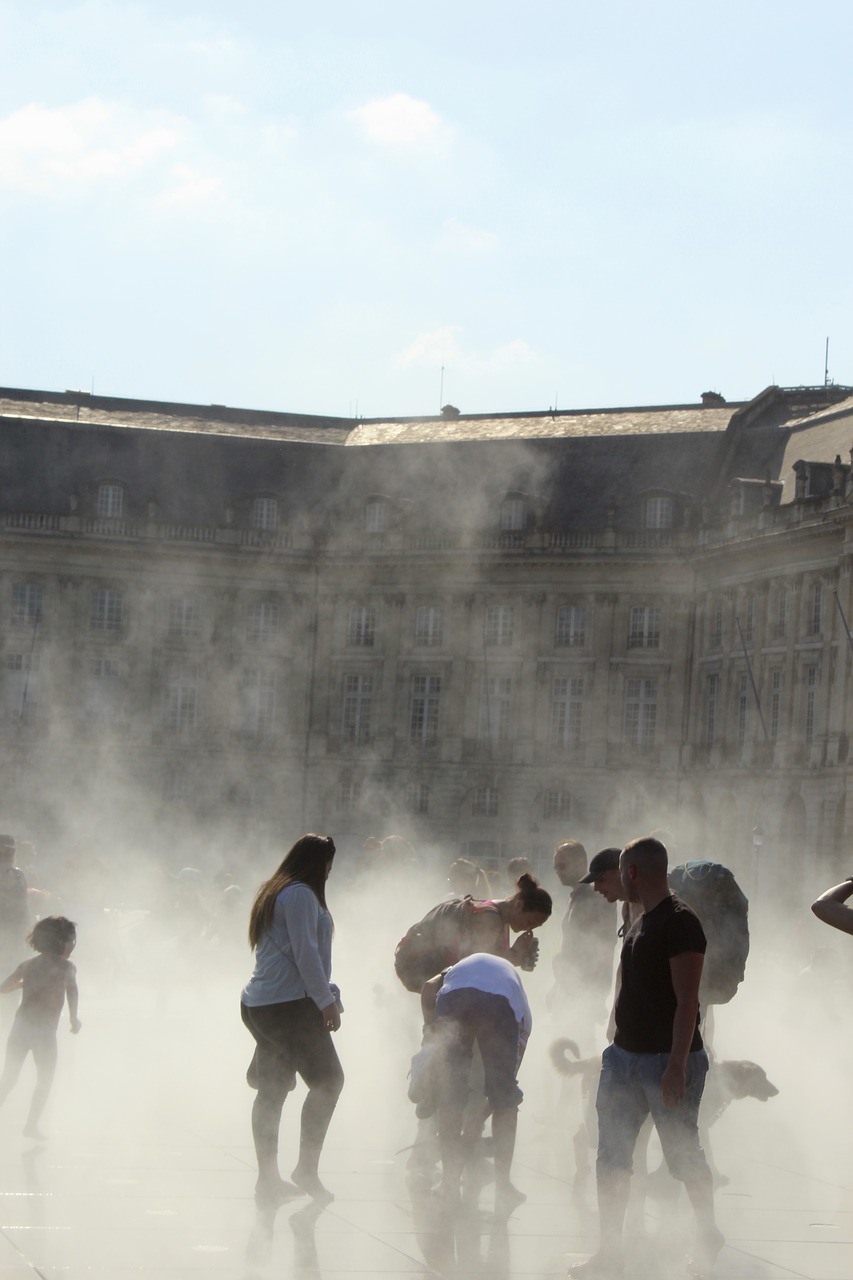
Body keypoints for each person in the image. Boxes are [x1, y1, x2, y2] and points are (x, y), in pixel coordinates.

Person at [571, 837, 723, 1278]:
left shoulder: (679, 923)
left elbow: (688, 1002)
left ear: (632, 872)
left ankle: (708, 1231)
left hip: (665, 1063)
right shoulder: (639, 919)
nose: (618, 880)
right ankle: (610, 1251)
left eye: (620, 872)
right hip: (624, 1059)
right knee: (612, 1157)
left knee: (682, 1157)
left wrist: (676, 1066)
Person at [241, 834, 344, 1208]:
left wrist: (327, 992)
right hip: (288, 1008)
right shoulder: (300, 894)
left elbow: (297, 957)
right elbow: (305, 952)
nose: (331, 873)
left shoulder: (277, 890)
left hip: (262, 1004)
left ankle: (267, 1181)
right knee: (330, 1081)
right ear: (319, 863)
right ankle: (306, 1169)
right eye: (330, 864)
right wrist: (324, 1002)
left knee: (272, 1090)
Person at [422, 952, 532, 1215]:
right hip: (498, 1005)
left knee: (451, 1091)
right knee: (506, 1098)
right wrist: (482, 1116)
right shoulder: (523, 1015)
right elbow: (507, 1084)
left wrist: (430, 1033)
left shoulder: (457, 969)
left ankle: (449, 1182)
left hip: (454, 999)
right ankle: (504, 1186)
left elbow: (427, 988)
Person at [0, 915, 80, 1138]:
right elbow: (72, 992)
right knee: (44, 1079)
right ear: (62, 942)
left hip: (21, 1027)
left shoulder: (28, 965)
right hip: (45, 1032)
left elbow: (4, 987)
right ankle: (31, 1126)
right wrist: (74, 1018)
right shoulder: (67, 967)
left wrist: (27, 983)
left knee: (9, 1077)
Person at [550, 840, 617, 1027]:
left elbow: (604, 947)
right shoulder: (575, 897)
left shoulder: (597, 897)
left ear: (580, 863)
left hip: (584, 991)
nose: (557, 872)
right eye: (555, 867)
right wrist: (558, 986)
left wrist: (596, 996)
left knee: (578, 1045)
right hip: (569, 987)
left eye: (562, 866)